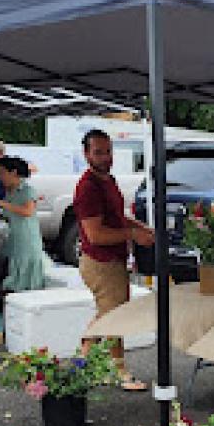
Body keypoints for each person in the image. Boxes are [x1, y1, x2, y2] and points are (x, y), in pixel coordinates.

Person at [75, 129, 154, 392]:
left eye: (108, 151)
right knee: (116, 317)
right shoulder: (87, 188)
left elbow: (117, 218)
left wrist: (141, 227)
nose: (106, 157)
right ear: (86, 154)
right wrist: (133, 233)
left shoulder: (108, 180)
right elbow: (95, 234)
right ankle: (120, 371)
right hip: (101, 263)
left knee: (108, 313)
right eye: (98, 152)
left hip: (113, 260)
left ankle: (82, 361)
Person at [0, 156, 47, 291]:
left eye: (2, 173)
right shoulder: (9, 191)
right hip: (13, 236)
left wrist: (0, 203)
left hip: (26, 238)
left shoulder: (27, 190)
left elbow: (27, 211)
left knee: (26, 271)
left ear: (13, 173)